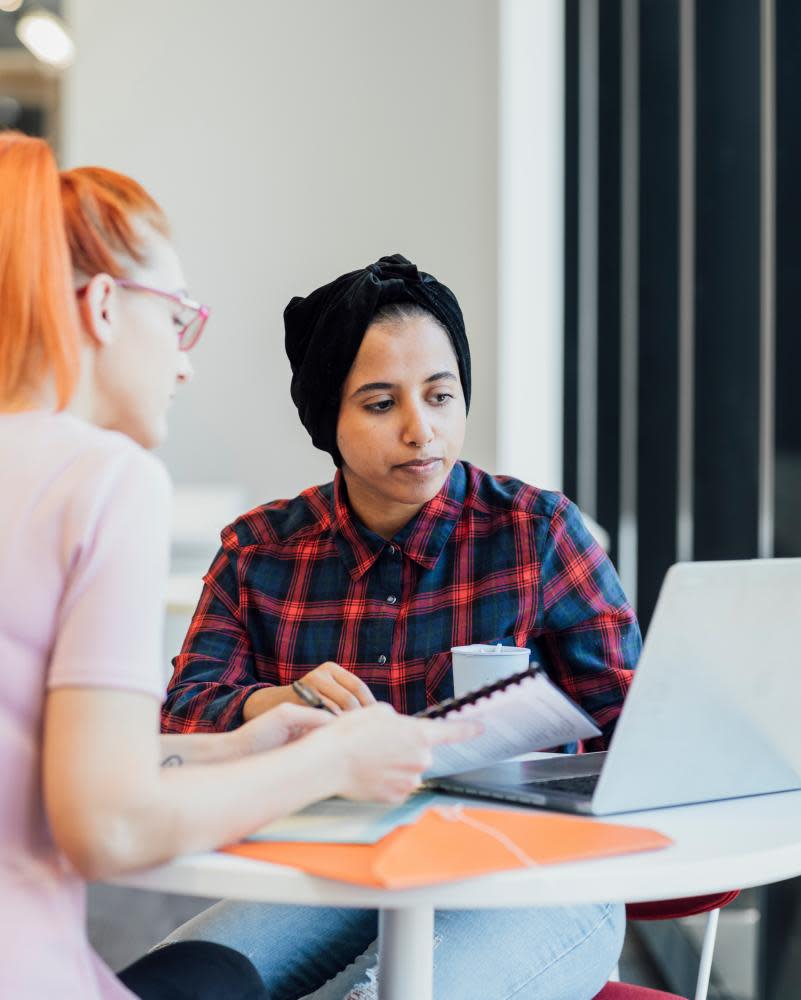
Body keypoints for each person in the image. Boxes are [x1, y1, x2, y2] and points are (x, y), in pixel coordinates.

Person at [0, 135, 477, 1000]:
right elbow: (106, 823)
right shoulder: (106, 481)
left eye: (440, 395)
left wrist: (244, 748)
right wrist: (333, 761)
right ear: (104, 306)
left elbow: (56, 775)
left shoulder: (535, 529)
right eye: (177, 318)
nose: (184, 360)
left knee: (217, 969)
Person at [161, 254, 640, 999]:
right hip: (339, 861)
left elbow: (635, 734)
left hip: (532, 877)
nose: (423, 430)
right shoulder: (261, 551)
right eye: (381, 405)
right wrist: (275, 702)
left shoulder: (537, 533)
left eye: (441, 396)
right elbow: (185, 716)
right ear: (329, 421)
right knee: (170, 987)